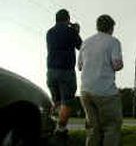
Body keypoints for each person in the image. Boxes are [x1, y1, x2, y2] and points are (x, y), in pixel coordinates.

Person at [78, 14, 124, 146]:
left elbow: (80, 66)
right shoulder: (113, 41)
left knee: (93, 128)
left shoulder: (85, 42)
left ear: (97, 27)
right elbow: (117, 65)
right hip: (105, 92)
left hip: (85, 91)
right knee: (112, 127)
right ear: (111, 28)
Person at [46, 9, 82, 135]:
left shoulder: (49, 32)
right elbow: (80, 46)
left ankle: (46, 124)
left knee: (55, 101)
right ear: (67, 19)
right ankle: (61, 129)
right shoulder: (71, 31)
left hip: (51, 71)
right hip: (66, 71)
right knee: (67, 101)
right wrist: (76, 31)